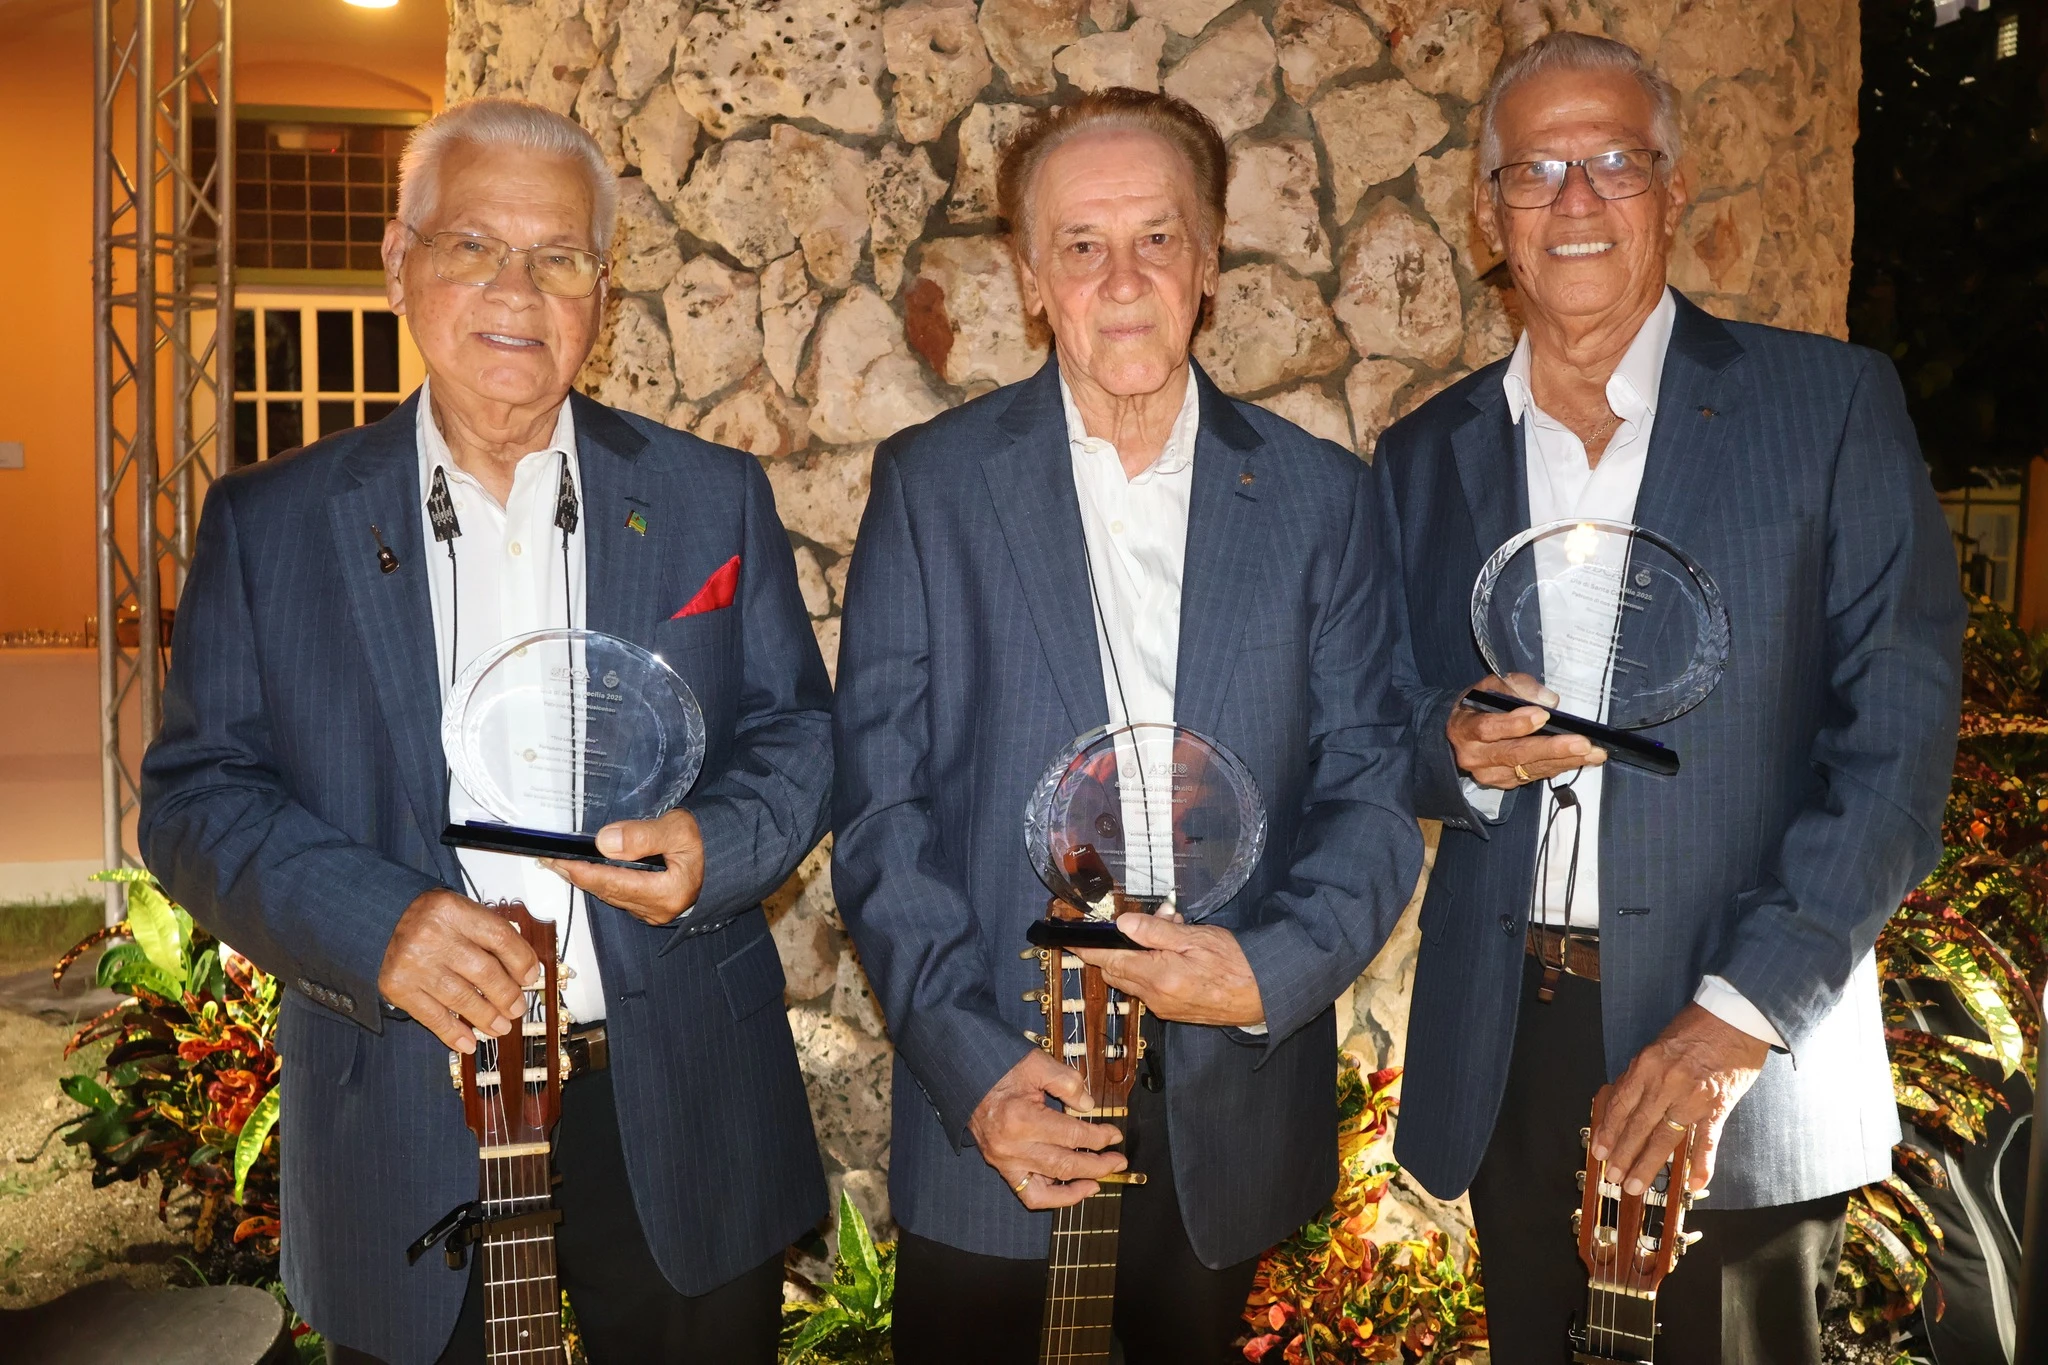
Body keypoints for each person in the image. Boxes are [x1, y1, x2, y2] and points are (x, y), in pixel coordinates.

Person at [139, 98, 832, 1365]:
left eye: (559, 256)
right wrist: (378, 927)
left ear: (602, 292)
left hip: (675, 1096)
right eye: (473, 245)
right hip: (405, 1108)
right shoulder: (269, 524)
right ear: (398, 262)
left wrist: (715, 845)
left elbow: (797, 735)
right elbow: (195, 800)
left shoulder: (710, 496)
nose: (518, 290)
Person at [1378, 32, 1966, 1364]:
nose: (1574, 200)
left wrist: (1732, 1021)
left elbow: (1893, 757)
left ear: (1673, 186)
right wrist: (1454, 748)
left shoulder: (1826, 407)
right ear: (1488, 211)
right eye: (1535, 170)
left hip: (1748, 1042)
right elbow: (1381, 722)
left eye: (1612, 162)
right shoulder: (1422, 454)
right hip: (1510, 1042)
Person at [831, 88, 1423, 1365]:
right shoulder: (931, 487)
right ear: (1029, 279)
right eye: (1080, 245)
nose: (1121, 279)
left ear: (1207, 263)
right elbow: (879, 813)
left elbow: (1370, 788)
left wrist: (1269, 971)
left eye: (1156, 238)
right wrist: (973, 1065)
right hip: (999, 1103)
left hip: (1223, 1112)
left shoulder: (1321, 501)